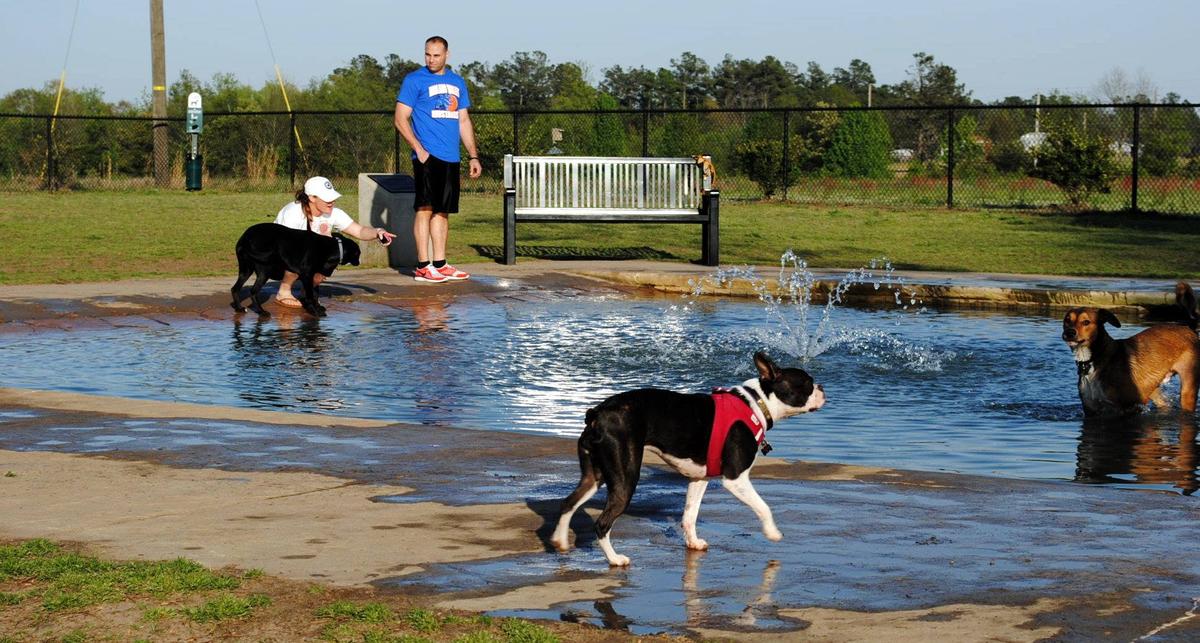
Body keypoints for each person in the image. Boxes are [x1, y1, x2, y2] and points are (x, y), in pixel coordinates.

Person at [393, 35, 482, 283]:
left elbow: (463, 120)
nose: (431, 59)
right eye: (427, 54)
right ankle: (423, 266)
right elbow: (400, 118)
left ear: (447, 55)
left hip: (451, 157)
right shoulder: (414, 80)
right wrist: (418, 149)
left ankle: (440, 264)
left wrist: (473, 155)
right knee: (424, 208)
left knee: (442, 211)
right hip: (427, 156)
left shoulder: (457, 82)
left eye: (436, 55)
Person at [272, 175, 396, 308]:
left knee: (326, 260)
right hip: (276, 259)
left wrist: (378, 232)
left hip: (302, 257)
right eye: (326, 198)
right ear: (312, 198)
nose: (331, 202)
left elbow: (359, 231)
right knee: (300, 256)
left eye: (332, 198)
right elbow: (287, 248)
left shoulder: (334, 213)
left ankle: (306, 294)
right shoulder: (293, 212)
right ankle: (283, 292)